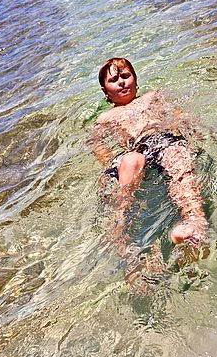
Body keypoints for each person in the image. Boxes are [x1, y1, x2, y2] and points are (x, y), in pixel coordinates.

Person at [87, 57, 208, 251]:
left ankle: (194, 222)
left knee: (177, 158)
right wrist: (107, 162)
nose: (121, 82)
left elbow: (177, 113)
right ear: (105, 91)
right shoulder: (105, 118)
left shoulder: (151, 97)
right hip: (135, 149)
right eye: (114, 80)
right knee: (129, 161)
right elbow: (95, 142)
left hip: (161, 140)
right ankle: (119, 229)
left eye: (126, 76)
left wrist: (186, 124)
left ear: (135, 79)